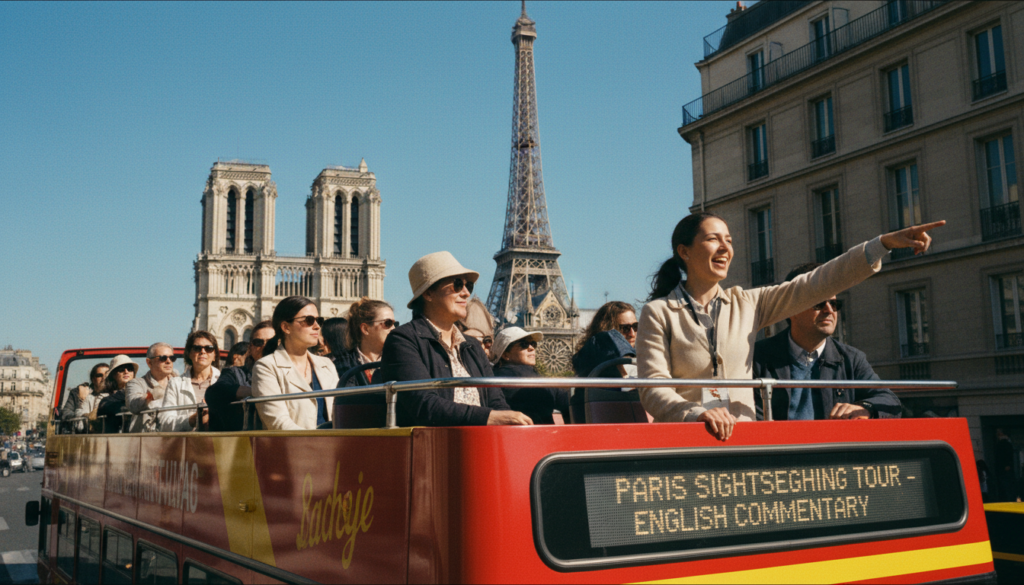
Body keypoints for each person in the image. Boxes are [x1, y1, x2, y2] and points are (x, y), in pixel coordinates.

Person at [637, 212, 945, 441]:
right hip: (686, 445)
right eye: (713, 238)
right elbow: (653, 389)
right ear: (684, 251)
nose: (724, 247)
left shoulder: (748, 303)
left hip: (743, 447)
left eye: (728, 240)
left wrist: (882, 244)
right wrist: (696, 412)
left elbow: (816, 283)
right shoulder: (659, 312)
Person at [380, 251, 532, 426]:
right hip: (435, 445)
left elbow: (496, 400)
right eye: (457, 285)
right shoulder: (402, 340)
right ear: (428, 294)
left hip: (481, 442)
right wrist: (487, 417)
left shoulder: (472, 345)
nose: (466, 293)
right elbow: (424, 404)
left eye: (469, 286)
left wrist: (507, 419)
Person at [753, 263, 902, 421]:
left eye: (834, 304)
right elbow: (751, 418)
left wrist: (866, 408)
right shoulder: (758, 358)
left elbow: (889, 401)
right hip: (780, 445)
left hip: (832, 446)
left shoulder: (851, 359)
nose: (829, 310)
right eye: (818, 303)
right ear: (791, 309)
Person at [252, 296, 339, 430]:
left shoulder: (326, 365)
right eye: (308, 320)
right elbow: (278, 422)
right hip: (293, 448)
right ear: (286, 327)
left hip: (331, 446)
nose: (316, 326)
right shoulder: (266, 367)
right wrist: (316, 444)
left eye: (318, 320)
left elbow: (339, 413)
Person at [206, 321, 275, 432]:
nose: (264, 346)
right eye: (258, 342)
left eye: (271, 342)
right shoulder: (235, 373)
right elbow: (214, 392)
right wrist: (255, 391)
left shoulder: (295, 372)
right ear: (251, 347)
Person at [491, 327, 569, 425]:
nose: (531, 348)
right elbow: (567, 402)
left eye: (533, 344)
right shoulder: (520, 374)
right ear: (506, 355)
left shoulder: (492, 375)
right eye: (523, 344)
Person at [159, 331, 221, 432]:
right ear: (189, 354)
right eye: (197, 348)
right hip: (186, 443)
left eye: (209, 348)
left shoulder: (223, 381)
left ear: (214, 355)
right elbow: (165, 422)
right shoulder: (175, 384)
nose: (203, 351)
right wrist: (192, 419)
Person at [333, 298, 394, 386]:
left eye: (395, 324)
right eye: (388, 323)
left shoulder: (401, 359)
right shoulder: (341, 366)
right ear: (365, 329)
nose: (393, 329)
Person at [124, 343, 177, 433]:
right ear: (149, 362)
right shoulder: (136, 383)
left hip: (175, 437)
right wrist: (153, 395)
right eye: (163, 358)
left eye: (172, 358)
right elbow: (133, 404)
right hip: (146, 440)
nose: (168, 361)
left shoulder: (180, 383)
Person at [79, 355, 136, 433]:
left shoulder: (142, 391)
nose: (126, 372)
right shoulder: (104, 398)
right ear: (113, 374)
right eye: (121, 369)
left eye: (130, 369)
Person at [62, 363, 108, 433]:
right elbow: (65, 414)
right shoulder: (77, 393)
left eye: (107, 375)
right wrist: (81, 402)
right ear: (93, 379)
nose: (104, 378)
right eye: (99, 375)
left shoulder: (117, 393)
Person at [995, 429, 1021, 502]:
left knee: (1006, 489)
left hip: (1004, 471)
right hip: (1006, 471)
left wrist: (1006, 465)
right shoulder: (1007, 444)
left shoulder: (1003, 444)